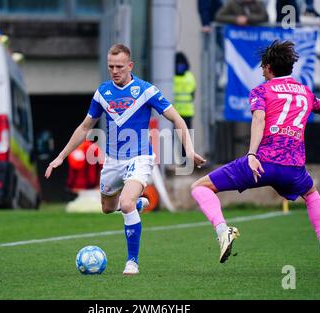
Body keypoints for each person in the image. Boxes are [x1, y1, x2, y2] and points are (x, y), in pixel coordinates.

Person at [45, 44, 206, 275]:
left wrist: (189, 151)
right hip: (112, 161)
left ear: (130, 66)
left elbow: (177, 119)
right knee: (108, 208)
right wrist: (60, 157)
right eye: (110, 66)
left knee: (126, 204)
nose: (115, 70)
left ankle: (132, 262)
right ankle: (137, 204)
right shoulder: (102, 93)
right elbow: (84, 128)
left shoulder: (146, 91)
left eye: (119, 66)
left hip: (140, 158)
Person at [190, 40, 320, 270]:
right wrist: (316, 107)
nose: (261, 70)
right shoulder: (305, 92)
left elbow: (259, 119)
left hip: (262, 164)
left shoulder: (262, 91)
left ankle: (223, 231)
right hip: (294, 169)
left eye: (263, 66)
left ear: (270, 67)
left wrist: (252, 153)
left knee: (200, 187)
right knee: (312, 195)